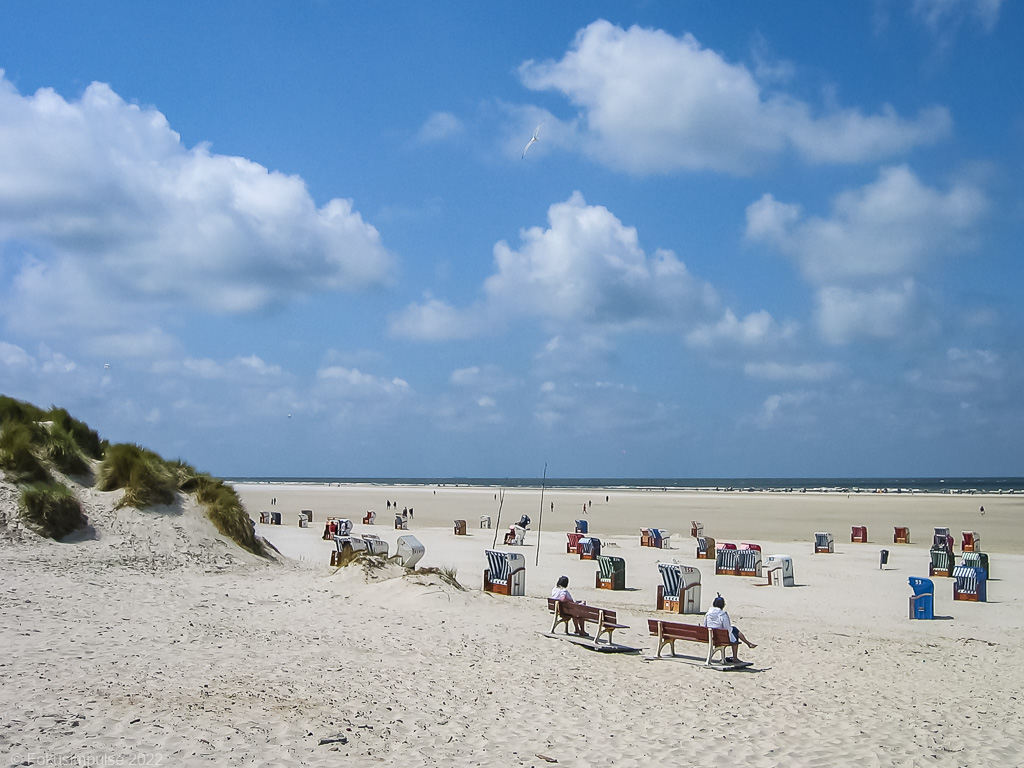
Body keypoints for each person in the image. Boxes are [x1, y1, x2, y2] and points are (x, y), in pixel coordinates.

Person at [703, 595, 756, 663]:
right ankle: (736, 657)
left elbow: (705, 625)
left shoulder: (708, 613)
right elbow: (727, 628)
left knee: (733, 629)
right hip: (721, 638)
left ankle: (748, 644)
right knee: (735, 632)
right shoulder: (722, 614)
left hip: (710, 637)